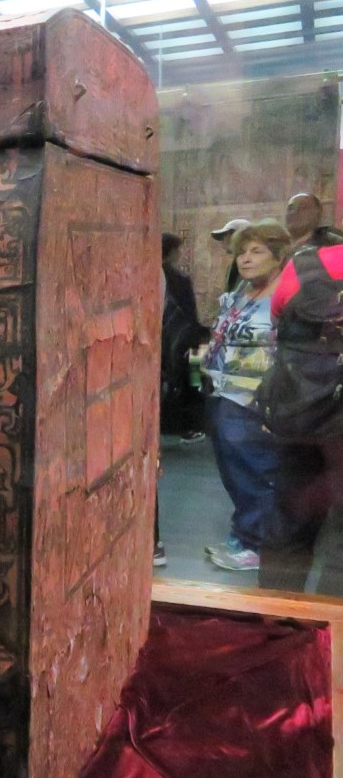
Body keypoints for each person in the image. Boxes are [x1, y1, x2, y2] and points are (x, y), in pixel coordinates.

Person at [199, 220, 290, 572]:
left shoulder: (285, 293)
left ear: (278, 256)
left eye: (256, 251)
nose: (245, 259)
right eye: (241, 253)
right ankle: (244, 534)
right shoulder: (243, 289)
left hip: (254, 398)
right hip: (224, 391)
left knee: (256, 470)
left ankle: (258, 545)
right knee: (233, 470)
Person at [260, 227, 343, 595]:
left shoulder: (304, 265)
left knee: (290, 516)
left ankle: (277, 617)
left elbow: (279, 324)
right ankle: (334, 622)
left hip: (302, 412)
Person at [160, 233, 207, 443]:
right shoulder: (179, 279)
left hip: (161, 340)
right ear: (171, 252)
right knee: (191, 380)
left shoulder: (146, 274)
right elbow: (189, 313)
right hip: (183, 341)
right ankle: (188, 427)